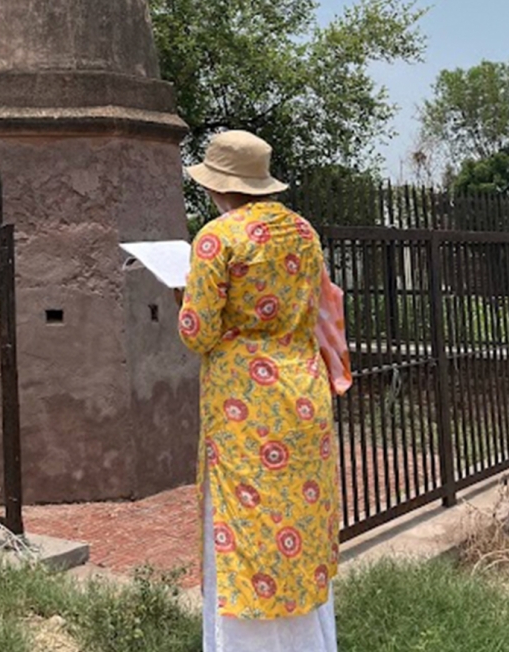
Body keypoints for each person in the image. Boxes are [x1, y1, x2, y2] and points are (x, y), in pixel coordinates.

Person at [177, 130, 342, 652]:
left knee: (244, 528)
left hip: (244, 401)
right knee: (297, 521)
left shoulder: (217, 238)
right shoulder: (303, 232)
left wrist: (183, 293)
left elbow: (197, 332)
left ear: (216, 186)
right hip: (302, 388)